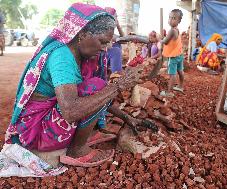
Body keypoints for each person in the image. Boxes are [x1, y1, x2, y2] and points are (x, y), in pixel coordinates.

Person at [5, 3, 145, 167]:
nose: (105, 48)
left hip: (45, 122)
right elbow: (71, 111)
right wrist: (118, 86)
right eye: (102, 42)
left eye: (107, 43)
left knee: (99, 88)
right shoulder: (62, 57)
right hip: (36, 132)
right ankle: (77, 150)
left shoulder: (79, 55)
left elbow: (98, 99)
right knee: (98, 86)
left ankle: (84, 136)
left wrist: (127, 118)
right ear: (83, 34)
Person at [160, 9, 184, 97]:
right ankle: (180, 86)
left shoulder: (172, 31)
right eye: (169, 17)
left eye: (174, 18)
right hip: (179, 54)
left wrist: (160, 40)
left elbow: (165, 41)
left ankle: (168, 92)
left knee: (172, 74)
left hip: (173, 56)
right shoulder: (176, 29)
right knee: (180, 70)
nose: (170, 20)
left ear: (179, 21)